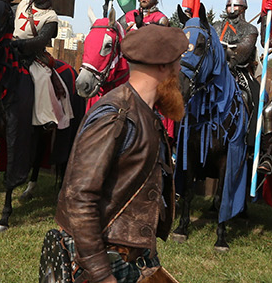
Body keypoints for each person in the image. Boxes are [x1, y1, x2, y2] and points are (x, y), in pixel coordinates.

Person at [52, 16, 186, 283]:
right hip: (107, 261)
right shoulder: (115, 116)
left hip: (136, 257)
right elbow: (80, 197)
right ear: (163, 66)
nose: (179, 71)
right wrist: (101, 274)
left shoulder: (147, 113)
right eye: (177, 64)